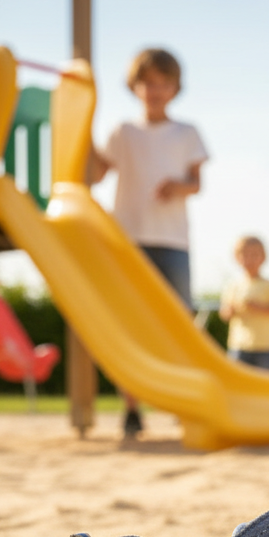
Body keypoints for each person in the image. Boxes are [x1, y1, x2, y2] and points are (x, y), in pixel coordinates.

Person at [90, 47, 209, 438]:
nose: (155, 90)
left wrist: (180, 186)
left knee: (179, 325)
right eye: (148, 83)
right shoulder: (122, 133)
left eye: (163, 83)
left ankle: (181, 401)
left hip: (172, 240)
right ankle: (131, 408)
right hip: (128, 241)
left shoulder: (186, 132)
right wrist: (80, 126)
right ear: (134, 87)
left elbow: (197, 183)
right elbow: (95, 172)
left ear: (175, 88)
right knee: (130, 325)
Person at [219, 236, 269, 372]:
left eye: (254, 255)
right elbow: (224, 313)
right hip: (239, 345)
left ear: (263, 258)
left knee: (267, 385)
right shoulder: (233, 286)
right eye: (245, 255)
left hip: (266, 346)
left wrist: (257, 307)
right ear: (237, 258)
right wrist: (231, 310)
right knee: (237, 383)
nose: (249, 259)